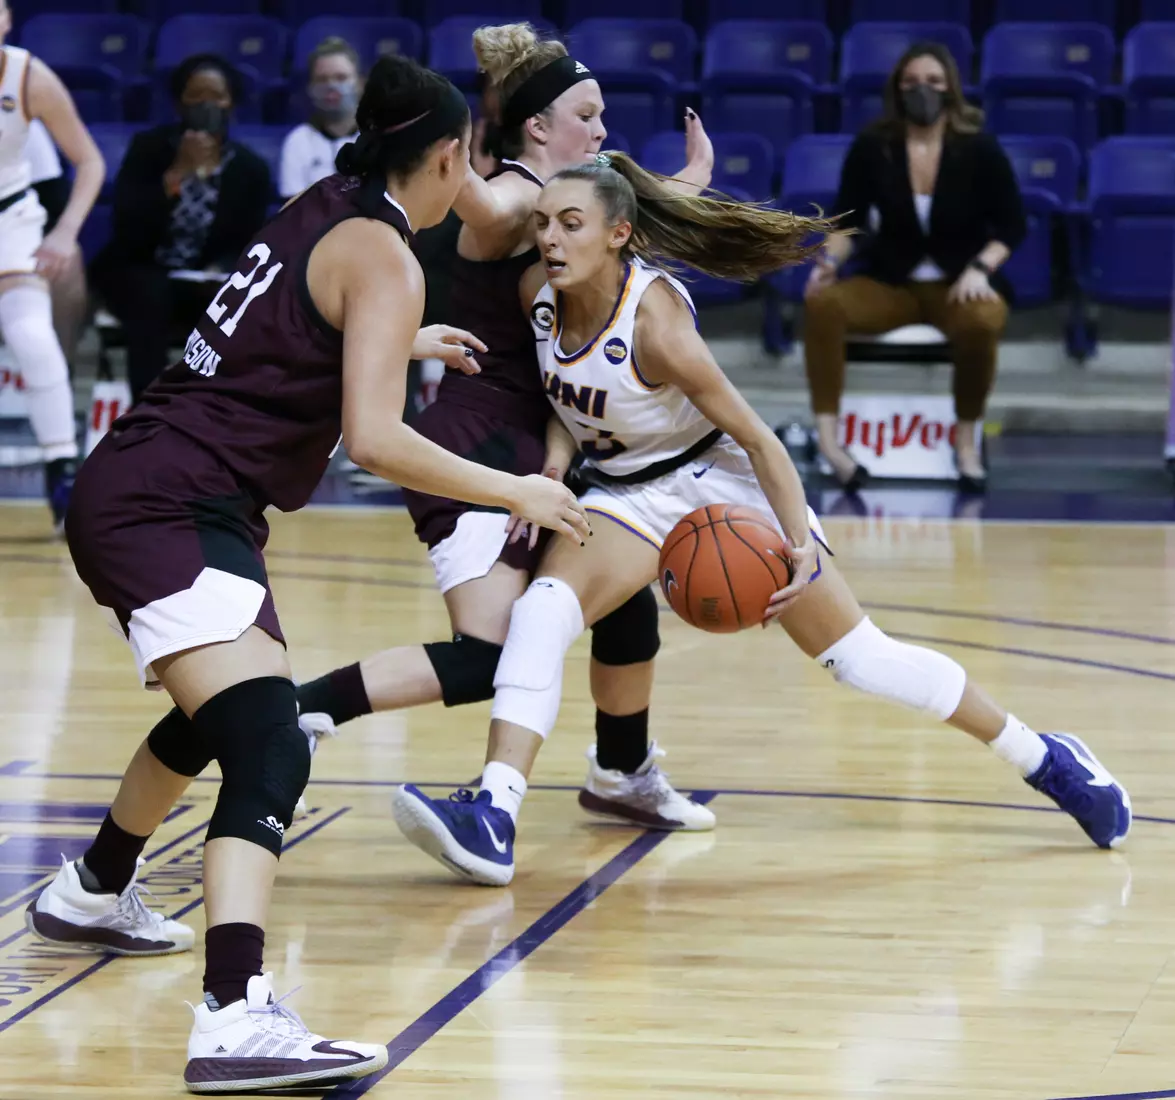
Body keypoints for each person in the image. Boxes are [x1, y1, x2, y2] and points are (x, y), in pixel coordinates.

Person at [25, 56, 587, 1094]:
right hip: (169, 499)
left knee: (222, 714)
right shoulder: (385, 251)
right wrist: (517, 492)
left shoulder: (322, 203)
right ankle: (234, 1011)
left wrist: (395, 334)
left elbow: (281, 321)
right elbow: (375, 438)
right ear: (451, 156)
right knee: (272, 739)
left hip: (164, 481)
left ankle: (95, 886)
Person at [392, 153, 1132, 887]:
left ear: (618, 235)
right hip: (624, 492)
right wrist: (555, 464)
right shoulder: (538, 294)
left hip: (720, 485)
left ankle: (1045, 759)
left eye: (571, 224)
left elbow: (759, 440)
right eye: (544, 223)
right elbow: (563, 400)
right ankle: (494, 814)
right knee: (543, 611)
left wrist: (803, 545)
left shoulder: (656, 325)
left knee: (859, 660)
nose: (550, 238)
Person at [297, 23, 717, 839]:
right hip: (477, 446)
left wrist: (686, 183)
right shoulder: (514, 196)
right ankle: (298, 712)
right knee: (490, 657)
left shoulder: (565, 207)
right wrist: (437, 133)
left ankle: (621, 771)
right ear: (536, 126)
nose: (601, 131)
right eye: (587, 115)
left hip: (540, 445)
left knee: (622, 595)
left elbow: (626, 220)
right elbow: (486, 203)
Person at [803, 41, 1026, 494]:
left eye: (932, 82)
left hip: (958, 283)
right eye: (911, 83)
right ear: (896, 90)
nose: (921, 91)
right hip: (893, 282)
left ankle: (966, 443)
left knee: (983, 320)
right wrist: (827, 261)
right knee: (824, 304)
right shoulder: (874, 146)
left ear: (951, 90)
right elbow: (848, 220)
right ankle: (830, 443)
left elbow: (1012, 225)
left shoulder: (979, 148)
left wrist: (981, 268)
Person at [90, 54, 271, 403]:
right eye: (196, 96)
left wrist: (218, 271)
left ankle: (221, 412)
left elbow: (250, 241)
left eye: (216, 96)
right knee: (150, 293)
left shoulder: (251, 169)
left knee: (239, 300)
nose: (206, 105)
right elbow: (127, 229)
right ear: (178, 103)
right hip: (139, 270)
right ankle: (148, 410)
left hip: (204, 279)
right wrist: (175, 175)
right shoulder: (149, 149)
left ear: (231, 103)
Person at [0, 0, 104, 530]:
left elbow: (89, 160)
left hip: (11, 220)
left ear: (6, 18)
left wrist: (64, 232)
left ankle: (62, 469)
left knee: (34, 340)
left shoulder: (27, 75)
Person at [279, 36, 361, 201]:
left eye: (341, 78)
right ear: (310, 88)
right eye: (322, 79)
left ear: (359, 83)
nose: (331, 87)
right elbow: (293, 212)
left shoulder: (380, 138)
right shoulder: (298, 141)